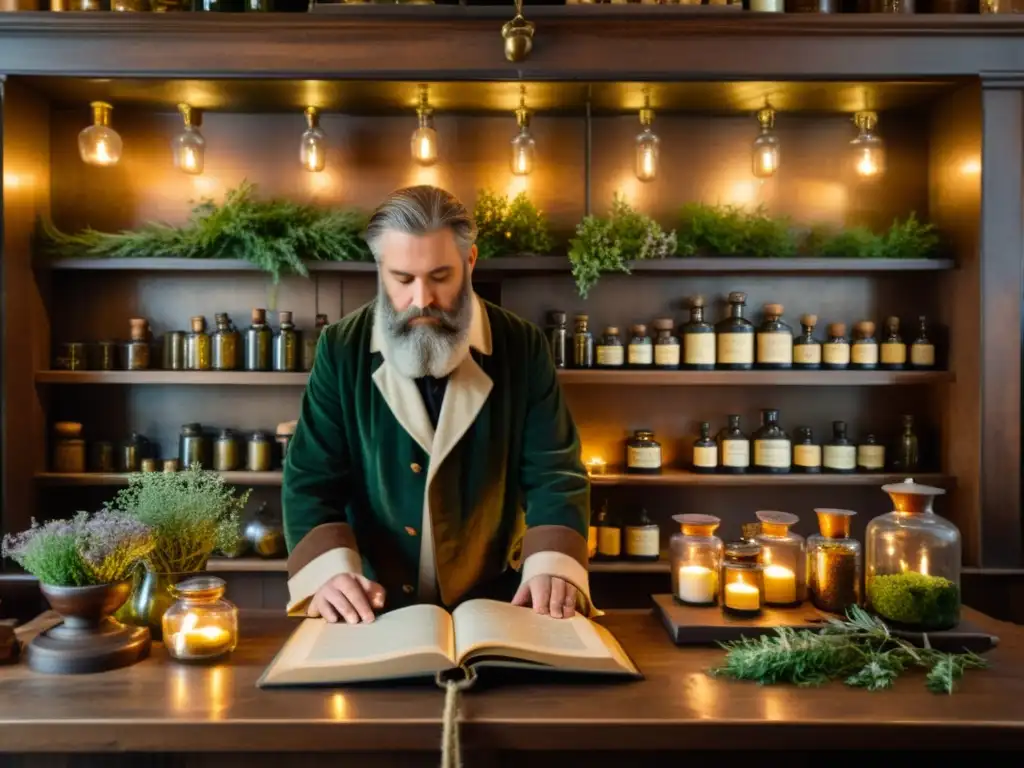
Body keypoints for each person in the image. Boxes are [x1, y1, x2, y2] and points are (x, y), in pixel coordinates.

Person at [282, 185, 593, 625]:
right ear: (380, 267)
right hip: (371, 609)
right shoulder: (340, 348)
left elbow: (554, 473)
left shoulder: (522, 346)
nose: (422, 299)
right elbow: (311, 480)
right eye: (402, 278)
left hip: (498, 605)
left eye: (440, 276)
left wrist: (551, 567)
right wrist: (330, 576)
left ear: (469, 262)